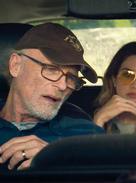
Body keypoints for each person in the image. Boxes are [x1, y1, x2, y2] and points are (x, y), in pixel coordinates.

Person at [0, 22, 104, 171]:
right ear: (16, 65)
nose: (63, 86)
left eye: (72, 78)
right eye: (51, 69)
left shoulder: (85, 134)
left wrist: (58, 159)